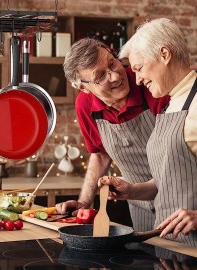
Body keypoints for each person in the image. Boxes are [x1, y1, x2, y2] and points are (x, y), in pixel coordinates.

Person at [99, 18, 197, 246]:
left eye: (139, 68)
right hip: (170, 248)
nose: (139, 79)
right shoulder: (170, 104)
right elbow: (169, 182)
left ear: (164, 54)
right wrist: (131, 191)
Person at [55, 37, 169, 231]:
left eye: (112, 63)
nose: (115, 76)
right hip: (138, 204)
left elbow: (179, 150)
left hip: (180, 197)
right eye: (100, 76)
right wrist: (84, 202)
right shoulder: (85, 105)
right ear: (83, 87)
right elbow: (100, 154)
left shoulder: (147, 84)